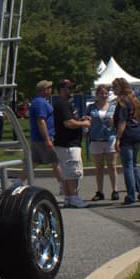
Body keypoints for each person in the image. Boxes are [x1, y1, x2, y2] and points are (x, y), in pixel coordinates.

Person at [52, 79, 91, 208]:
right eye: (70, 88)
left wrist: (80, 120)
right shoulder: (62, 103)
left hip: (64, 143)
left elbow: (71, 120)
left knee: (66, 172)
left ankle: (69, 197)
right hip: (68, 144)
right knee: (73, 171)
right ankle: (73, 197)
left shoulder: (65, 103)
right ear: (62, 89)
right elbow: (68, 123)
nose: (72, 91)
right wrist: (84, 124)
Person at [112, 77, 140, 205]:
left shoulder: (122, 102)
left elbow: (122, 122)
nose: (113, 89)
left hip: (127, 134)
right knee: (134, 165)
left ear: (121, 88)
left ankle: (131, 195)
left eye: (115, 87)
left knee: (127, 165)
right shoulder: (134, 100)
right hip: (136, 132)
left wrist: (118, 139)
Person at [85, 84, 119, 201]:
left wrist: (113, 122)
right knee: (99, 167)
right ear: (97, 95)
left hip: (110, 138)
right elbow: (86, 120)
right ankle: (100, 191)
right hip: (95, 139)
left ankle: (115, 190)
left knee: (112, 165)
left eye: (106, 93)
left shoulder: (113, 107)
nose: (104, 95)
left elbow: (118, 122)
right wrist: (86, 129)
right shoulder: (91, 107)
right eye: (101, 93)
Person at [28, 80, 62, 186]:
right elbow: (41, 121)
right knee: (57, 161)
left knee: (34, 162)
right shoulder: (40, 103)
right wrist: (47, 139)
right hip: (43, 138)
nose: (51, 90)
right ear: (44, 90)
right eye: (49, 88)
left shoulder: (40, 101)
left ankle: (18, 182)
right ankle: (64, 186)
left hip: (38, 138)